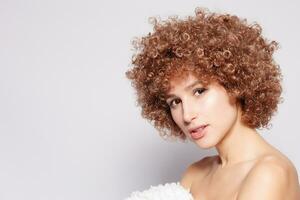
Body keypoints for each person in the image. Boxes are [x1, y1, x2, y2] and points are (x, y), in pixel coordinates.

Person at [125, 7, 300, 199]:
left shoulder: (269, 173)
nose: (187, 115)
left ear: (235, 84)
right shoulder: (195, 174)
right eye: (175, 102)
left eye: (199, 91)